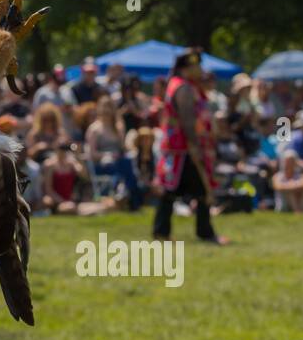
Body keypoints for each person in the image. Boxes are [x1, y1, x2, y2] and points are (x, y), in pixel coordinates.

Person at [154, 47, 227, 243]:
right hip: (184, 148)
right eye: (197, 65)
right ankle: (203, 233)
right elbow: (187, 120)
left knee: (173, 190)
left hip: (181, 147)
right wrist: (195, 146)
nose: (200, 69)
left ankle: (162, 232)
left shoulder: (183, 85)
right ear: (188, 67)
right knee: (196, 190)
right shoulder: (183, 88)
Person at [85, 96, 142, 210]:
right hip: (102, 164)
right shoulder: (94, 129)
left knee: (128, 162)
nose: (106, 110)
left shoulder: (118, 127)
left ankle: (131, 199)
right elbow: (92, 154)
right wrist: (107, 155)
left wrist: (133, 149)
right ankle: (131, 199)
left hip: (119, 161)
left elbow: (123, 148)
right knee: (121, 166)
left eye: (109, 107)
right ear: (99, 109)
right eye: (104, 107)